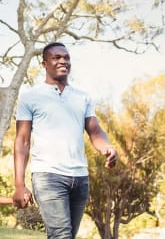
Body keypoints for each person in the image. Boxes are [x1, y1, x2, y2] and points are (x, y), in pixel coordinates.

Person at [13, 42, 118, 239]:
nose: (63, 61)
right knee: (61, 235)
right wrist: (19, 183)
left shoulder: (83, 97)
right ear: (44, 64)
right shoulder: (30, 97)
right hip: (48, 176)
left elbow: (94, 130)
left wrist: (107, 147)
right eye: (56, 57)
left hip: (80, 177)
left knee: (66, 235)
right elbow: (22, 141)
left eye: (66, 58)